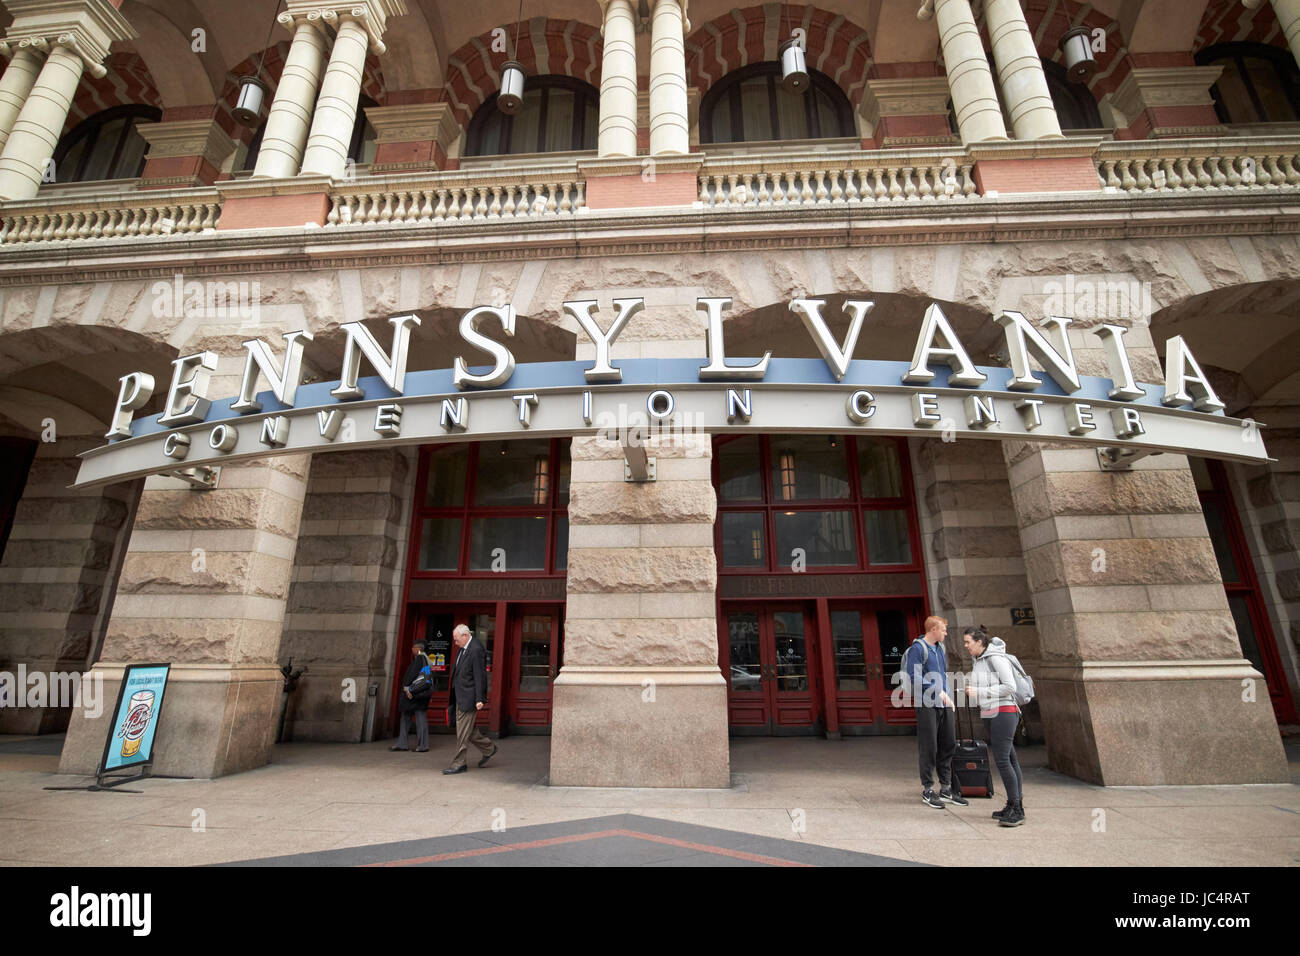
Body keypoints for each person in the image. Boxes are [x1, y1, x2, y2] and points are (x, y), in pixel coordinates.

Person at [962, 625, 1024, 826]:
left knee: (1003, 760)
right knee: (1010, 759)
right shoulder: (978, 660)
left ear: (979, 642)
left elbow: (1010, 687)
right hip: (990, 712)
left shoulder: (996, 658)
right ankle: (1014, 804)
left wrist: (980, 692)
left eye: (968, 642)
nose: (966, 646)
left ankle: (1016, 809)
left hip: (1004, 712)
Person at [906, 615, 967, 809]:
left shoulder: (940, 648)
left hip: (944, 703)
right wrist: (938, 692)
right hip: (927, 704)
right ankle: (928, 789)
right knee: (929, 746)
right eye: (943, 629)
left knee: (948, 743)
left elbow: (941, 675)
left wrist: (948, 696)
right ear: (933, 629)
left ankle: (947, 787)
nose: (946, 633)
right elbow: (913, 676)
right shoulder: (918, 649)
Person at [443, 623, 497, 774]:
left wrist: (480, 698)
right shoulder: (463, 649)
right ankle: (489, 748)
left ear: (465, 636)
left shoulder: (475, 649)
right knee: (469, 730)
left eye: (456, 639)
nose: (455, 642)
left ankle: (459, 763)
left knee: (462, 732)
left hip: (469, 697)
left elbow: (480, 676)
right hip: (460, 696)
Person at [392, 641, 432, 752]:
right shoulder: (426, 660)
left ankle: (416, 745)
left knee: (413, 718)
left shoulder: (419, 659)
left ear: (418, 648)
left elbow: (412, 675)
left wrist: (408, 689)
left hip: (413, 694)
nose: (412, 649)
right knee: (412, 718)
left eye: (413, 647)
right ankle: (413, 744)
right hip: (419, 694)